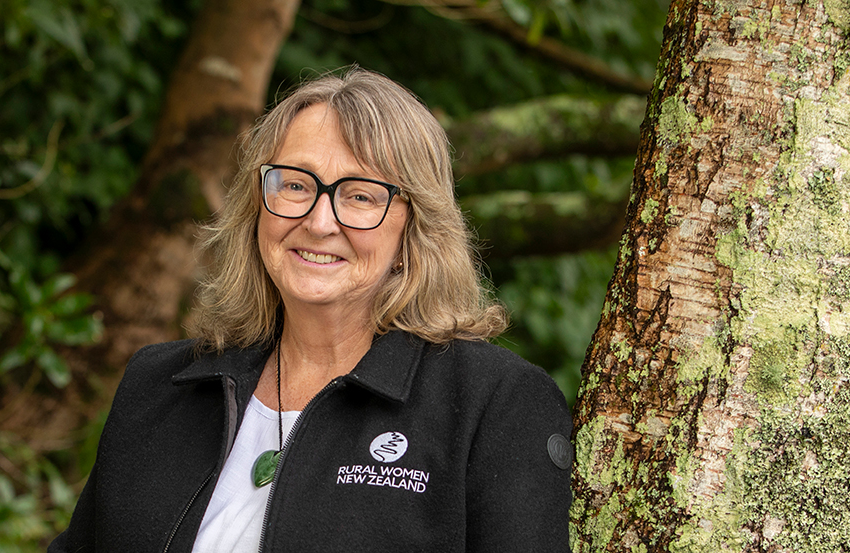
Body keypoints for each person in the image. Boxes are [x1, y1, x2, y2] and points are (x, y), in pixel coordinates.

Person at [47, 67, 572, 553]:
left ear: (416, 226)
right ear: (258, 203)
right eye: (296, 185)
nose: (320, 222)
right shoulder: (159, 383)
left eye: (361, 196)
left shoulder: (495, 405)